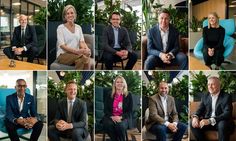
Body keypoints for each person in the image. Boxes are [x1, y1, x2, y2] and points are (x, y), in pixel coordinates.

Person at [191, 76, 234, 141]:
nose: (210, 87)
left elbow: (227, 114)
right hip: (208, 122)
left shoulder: (226, 97)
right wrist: (195, 117)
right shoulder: (205, 95)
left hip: (221, 121)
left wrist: (210, 120)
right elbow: (200, 109)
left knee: (222, 124)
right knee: (193, 124)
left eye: (213, 84)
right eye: (208, 84)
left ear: (219, 86)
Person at [56, 5, 91, 70]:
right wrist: (76, 51)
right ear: (65, 16)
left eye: (72, 13)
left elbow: (82, 42)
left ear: (75, 15)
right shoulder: (60, 28)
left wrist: (87, 49)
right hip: (63, 55)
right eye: (67, 13)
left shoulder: (78, 27)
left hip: (76, 55)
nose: (70, 15)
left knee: (81, 60)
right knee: (84, 58)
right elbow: (62, 46)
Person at [102, 76, 133, 141]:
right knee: (108, 125)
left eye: (121, 82)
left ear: (124, 84)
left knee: (120, 126)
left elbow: (129, 111)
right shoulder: (109, 94)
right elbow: (105, 109)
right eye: (117, 82)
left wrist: (121, 117)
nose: (119, 83)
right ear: (115, 84)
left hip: (123, 117)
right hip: (110, 117)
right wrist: (112, 117)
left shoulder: (128, 95)